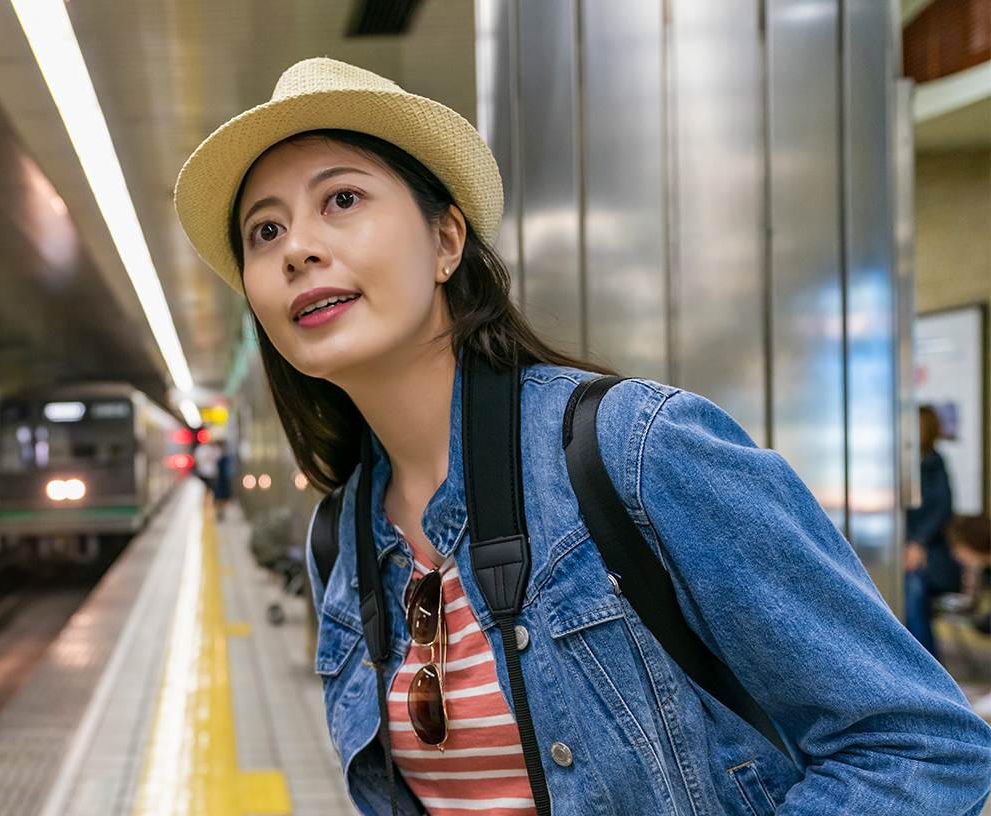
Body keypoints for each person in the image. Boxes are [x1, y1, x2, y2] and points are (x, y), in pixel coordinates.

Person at [173, 58, 991, 816]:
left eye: (342, 200)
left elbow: (921, 746)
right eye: (264, 231)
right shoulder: (341, 542)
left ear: (447, 241)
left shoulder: (635, 451)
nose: (297, 249)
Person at [905, 405, 962, 656]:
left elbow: (942, 509)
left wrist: (919, 543)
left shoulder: (935, 463)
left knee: (914, 588)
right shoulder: (900, 464)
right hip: (902, 551)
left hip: (934, 555)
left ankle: (925, 665)